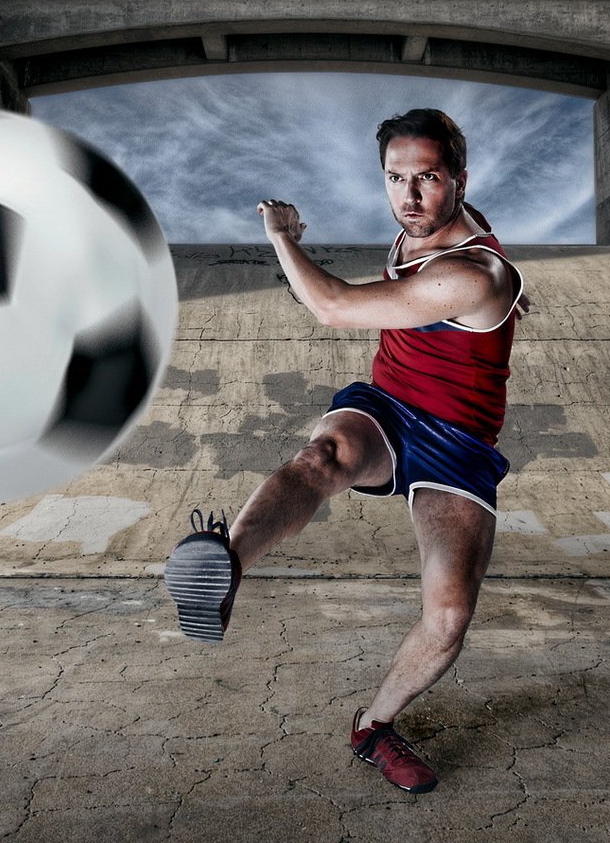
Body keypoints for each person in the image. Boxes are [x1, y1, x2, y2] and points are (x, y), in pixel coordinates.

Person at [164, 108, 527, 795]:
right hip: (389, 405)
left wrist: (281, 237)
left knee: (448, 618)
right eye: (396, 178)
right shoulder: (433, 224)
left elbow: (331, 306)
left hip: (459, 443)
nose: (410, 198)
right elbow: (448, 247)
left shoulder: (474, 275)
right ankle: (224, 565)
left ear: (458, 182)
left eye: (428, 179)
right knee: (322, 458)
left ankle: (374, 727)